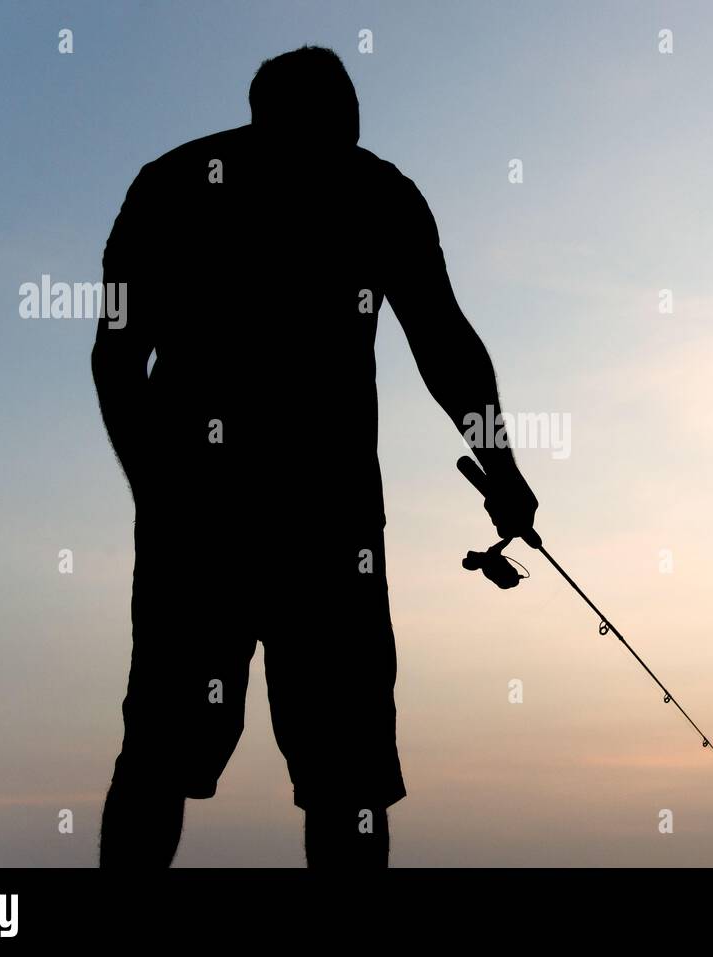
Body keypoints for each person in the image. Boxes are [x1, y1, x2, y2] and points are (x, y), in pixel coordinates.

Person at [91, 45, 538, 868]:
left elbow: (117, 362)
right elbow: (117, 356)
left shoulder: (186, 181)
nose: (340, 147)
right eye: (332, 127)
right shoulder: (363, 193)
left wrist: (504, 469)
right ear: (275, 119)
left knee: (230, 767)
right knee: (282, 773)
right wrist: (157, 494)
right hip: (296, 535)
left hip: (289, 535)